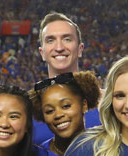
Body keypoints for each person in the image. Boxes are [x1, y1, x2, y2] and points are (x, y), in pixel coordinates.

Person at [33, 12, 101, 148]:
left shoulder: (106, 101)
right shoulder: (28, 108)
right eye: (50, 40)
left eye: (67, 39)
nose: (59, 48)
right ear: (42, 53)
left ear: (80, 49)